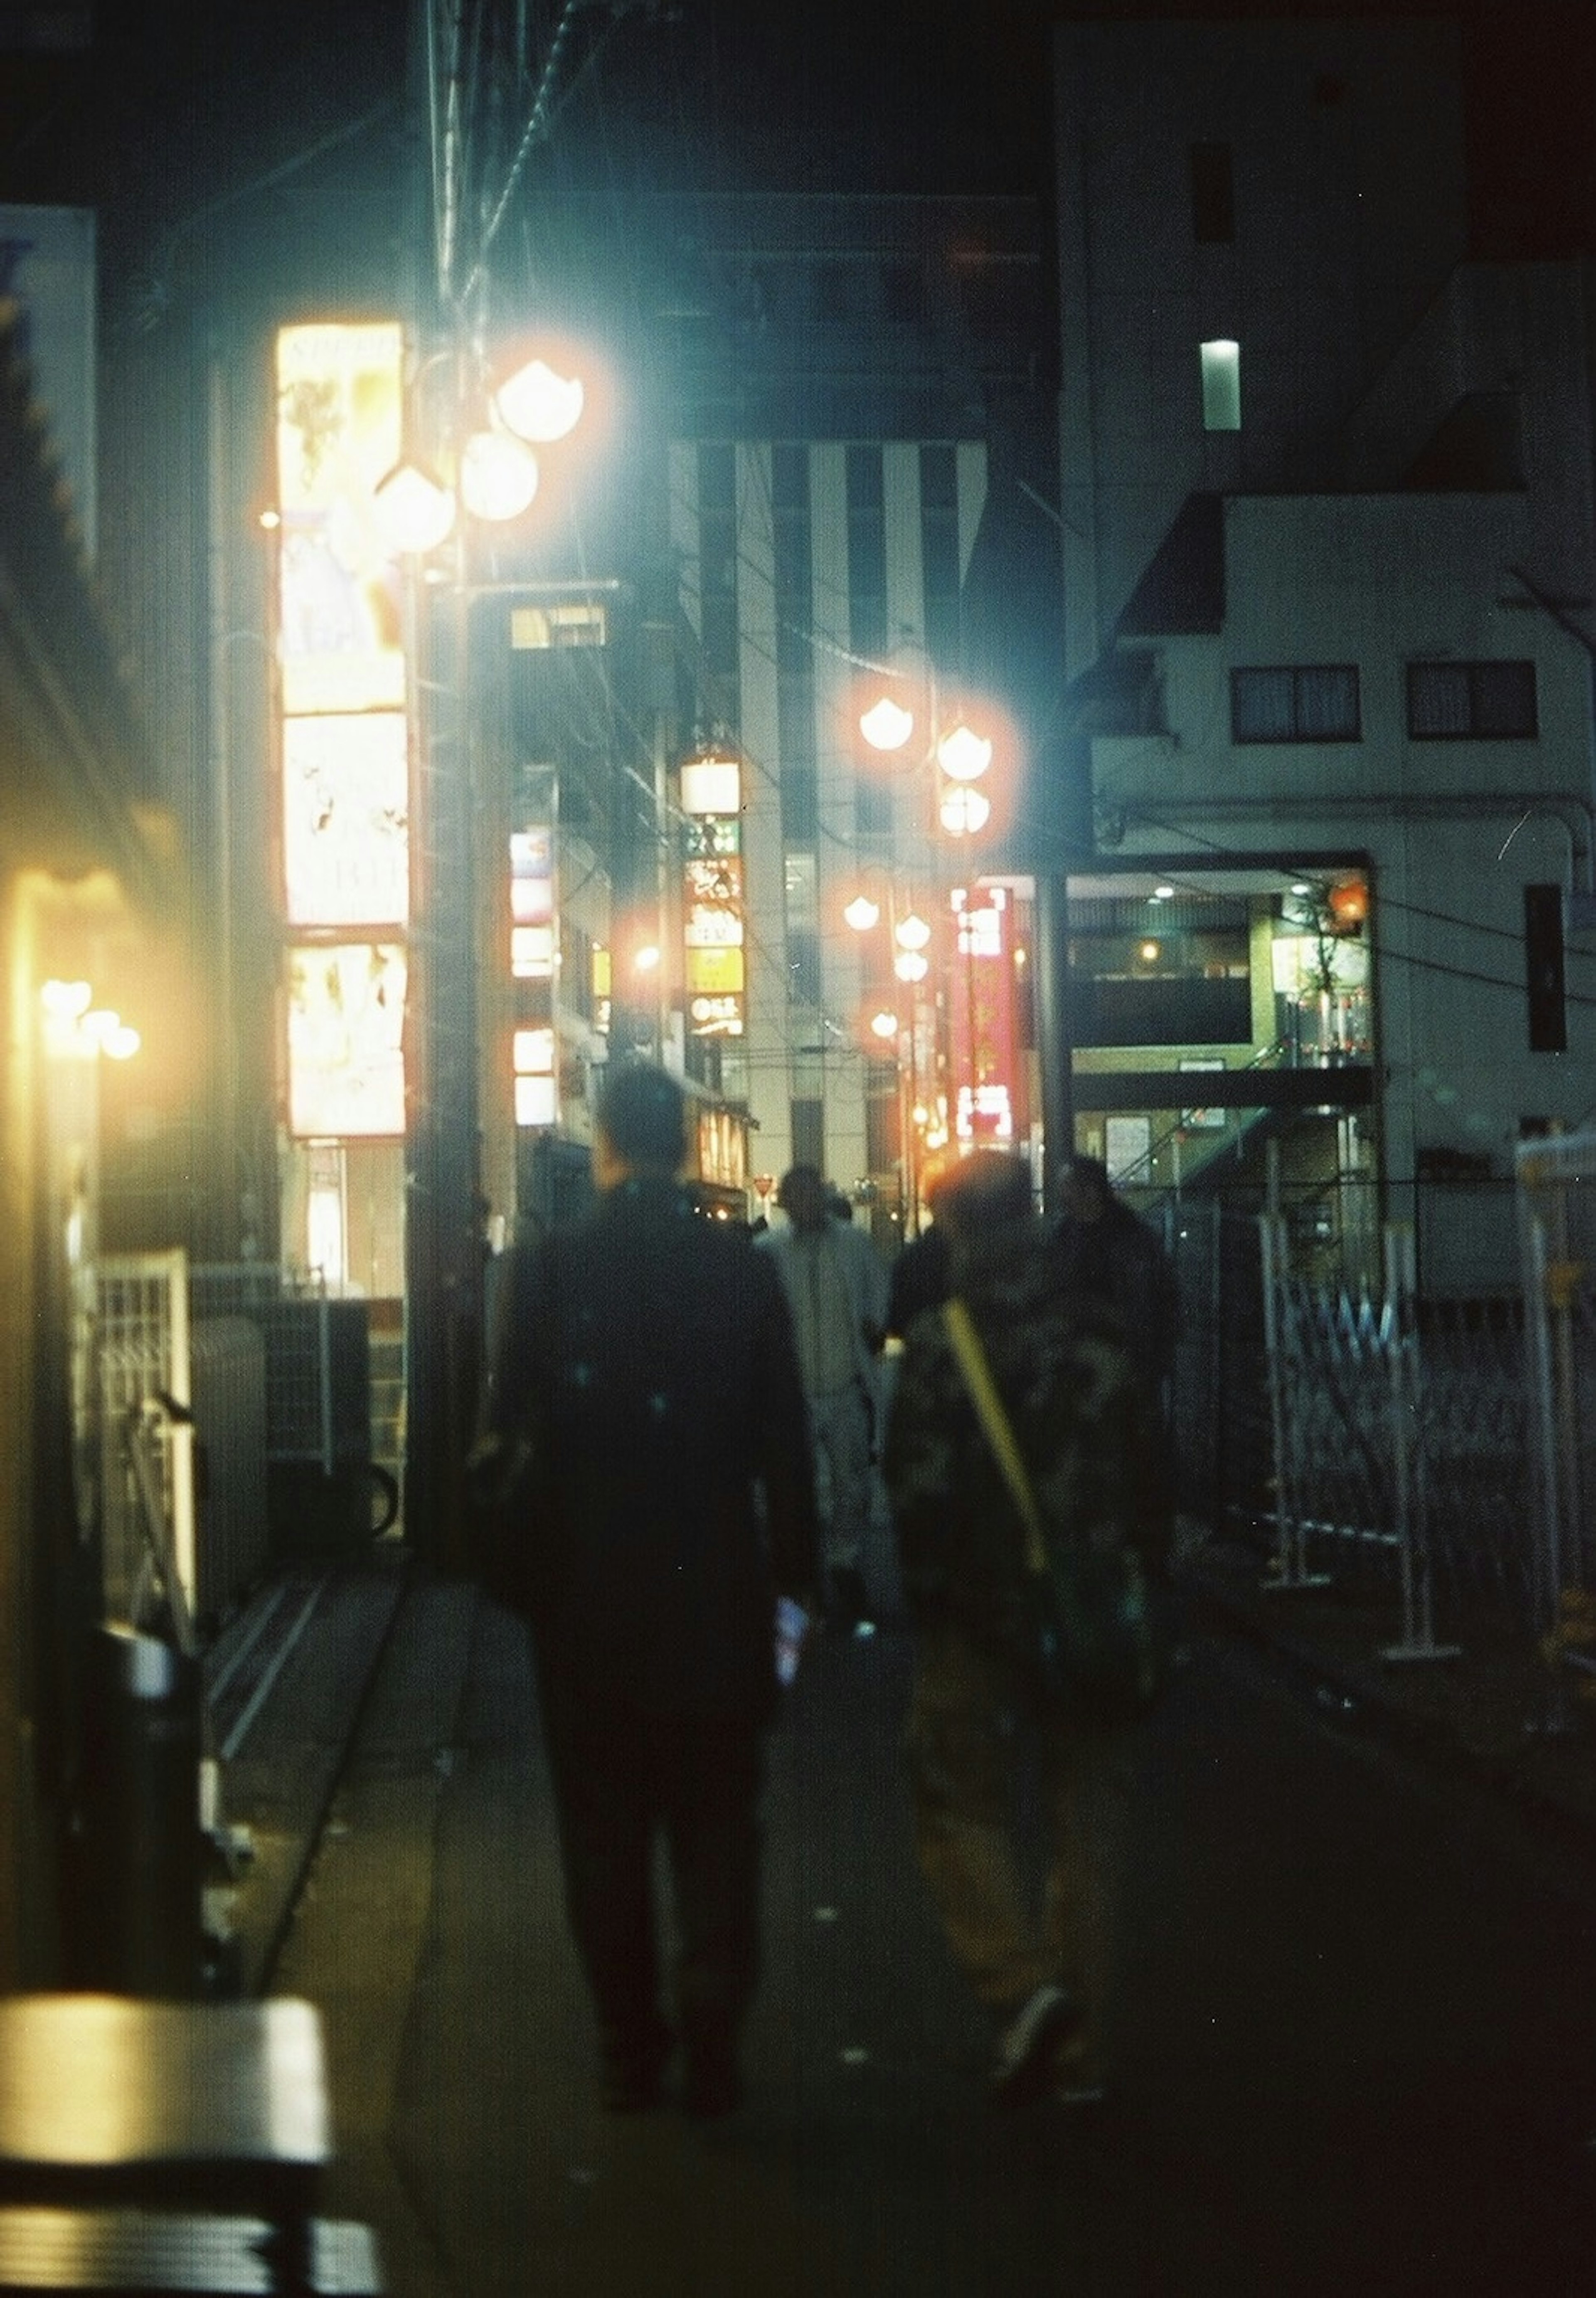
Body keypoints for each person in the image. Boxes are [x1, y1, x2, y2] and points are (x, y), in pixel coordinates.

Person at [475, 1061, 818, 2119]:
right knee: (718, 1829)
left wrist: (528, 1587)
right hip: (717, 1593)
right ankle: (711, 2034)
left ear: (607, 1143)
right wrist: (791, 1617)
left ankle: (631, 2046)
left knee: (604, 1834)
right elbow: (788, 1464)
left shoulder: (549, 1273)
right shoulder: (741, 1274)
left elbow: (503, 1445)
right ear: (682, 1145)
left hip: (588, 1607)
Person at [883, 1150, 1168, 2110]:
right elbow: (1148, 1466)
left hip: (977, 1616)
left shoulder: (940, 1343)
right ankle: (1078, 2049)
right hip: (1092, 1605)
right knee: (1087, 1816)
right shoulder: (1096, 1328)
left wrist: (933, 1613)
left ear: (955, 1232)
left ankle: (1021, 1986)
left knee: (954, 1798)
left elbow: (916, 1496)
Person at [757, 1163, 889, 1626]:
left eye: (813, 1194)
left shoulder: (853, 1245)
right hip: (792, 1393)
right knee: (799, 1486)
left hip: (844, 1382)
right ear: (786, 1203)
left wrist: (874, 1328)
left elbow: (877, 1293)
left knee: (852, 1480)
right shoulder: (768, 1251)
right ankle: (808, 1568)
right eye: (798, 1196)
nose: (807, 1203)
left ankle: (844, 1560)